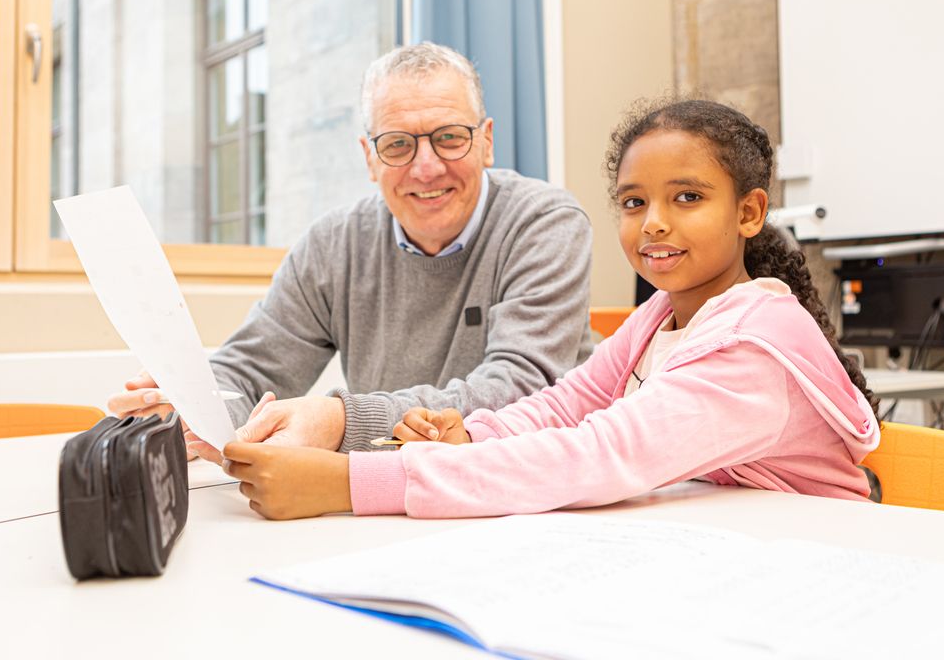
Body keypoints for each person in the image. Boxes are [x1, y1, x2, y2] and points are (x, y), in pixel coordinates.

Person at [216, 97, 882, 519]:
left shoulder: (749, 347)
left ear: (749, 212)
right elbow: (564, 406)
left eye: (687, 197)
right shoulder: (662, 317)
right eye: (634, 202)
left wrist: (347, 482)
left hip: (823, 568)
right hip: (733, 547)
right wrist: (469, 435)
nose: (654, 221)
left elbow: (595, 454)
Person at [108, 42, 594, 454]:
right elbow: (252, 370)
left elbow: (521, 389)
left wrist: (344, 421)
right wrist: (189, 406)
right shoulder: (332, 246)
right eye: (398, 145)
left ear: (486, 142)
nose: (426, 167)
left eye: (449, 138)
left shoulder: (544, 223)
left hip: (528, 487)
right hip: (382, 490)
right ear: (369, 157)